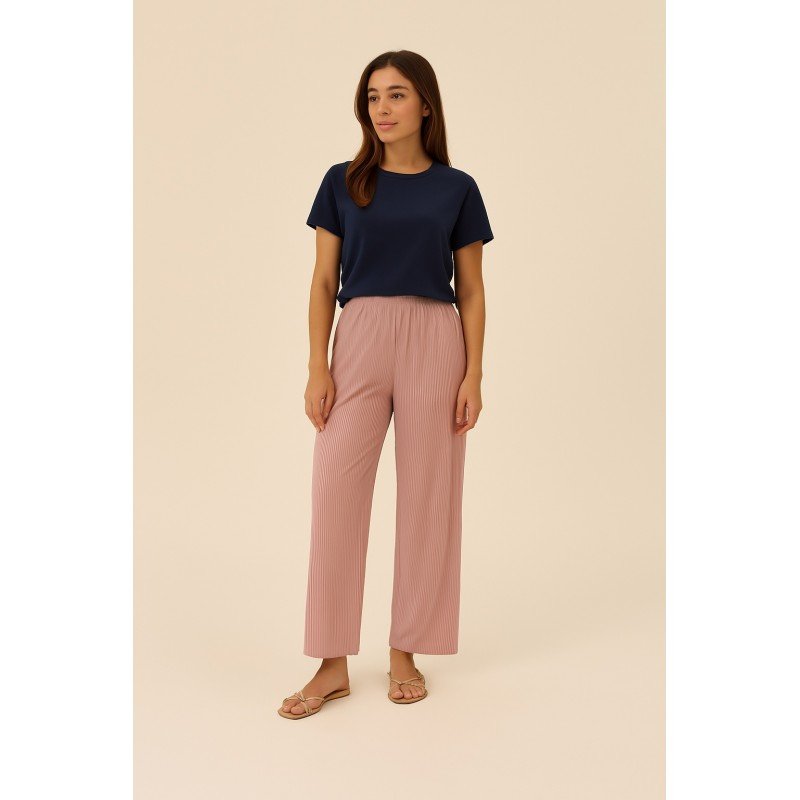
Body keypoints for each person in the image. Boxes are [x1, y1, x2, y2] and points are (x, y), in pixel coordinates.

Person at [278, 49, 494, 719]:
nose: (382, 107)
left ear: (425, 105)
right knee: (335, 493)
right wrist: (317, 366)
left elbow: (472, 289)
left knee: (430, 497)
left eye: (396, 94)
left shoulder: (457, 188)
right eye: (373, 96)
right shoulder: (343, 183)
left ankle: (407, 651)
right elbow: (323, 282)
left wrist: (473, 373)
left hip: (435, 337)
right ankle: (331, 662)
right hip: (361, 336)